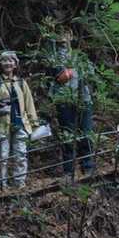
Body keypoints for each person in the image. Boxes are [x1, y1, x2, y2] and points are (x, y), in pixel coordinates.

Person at [0, 51, 40, 189]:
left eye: (11, 61)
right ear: (0, 64)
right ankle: (1, 183)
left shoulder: (21, 83)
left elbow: (29, 104)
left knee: (20, 155)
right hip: (1, 124)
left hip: (20, 123)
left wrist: (34, 123)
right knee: (2, 155)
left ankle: (19, 183)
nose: (8, 63)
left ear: (15, 64)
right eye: (4, 61)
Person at [48, 31, 96, 178]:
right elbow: (60, 77)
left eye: (66, 33)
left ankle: (88, 167)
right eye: (59, 33)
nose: (62, 37)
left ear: (71, 36)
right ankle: (68, 171)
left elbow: (91, 74)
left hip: (83, 99)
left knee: (86, 133)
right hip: (64, 100)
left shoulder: (79, 55)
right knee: (67, 136)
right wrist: (71, 72)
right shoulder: (53, 57)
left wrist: (71, 72)